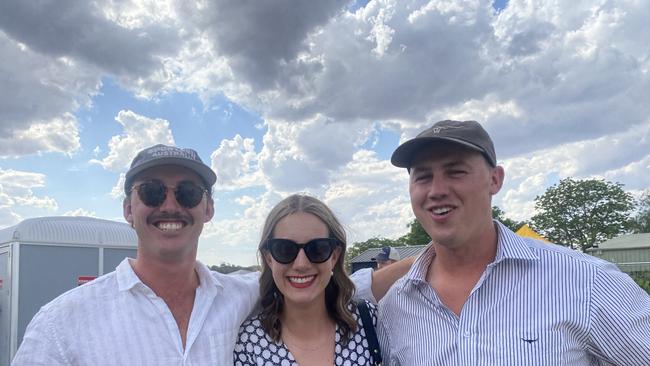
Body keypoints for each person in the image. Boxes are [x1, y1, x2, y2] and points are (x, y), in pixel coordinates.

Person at [12, 144, 407, 365]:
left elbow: (329, 285)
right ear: (129, 208)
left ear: (208, 209)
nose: (170, 205)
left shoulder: (237, 296)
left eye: (187, 192)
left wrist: (440, 249)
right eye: (151, 191)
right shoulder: (61, 325)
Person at [378, 120, 650, 365]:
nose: (437, 190)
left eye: (456, 172)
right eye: (423, 177)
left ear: (495, 180)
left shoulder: (588, 282)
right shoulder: (395, 307)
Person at [233, 194, 381, 366]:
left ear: (334, 256)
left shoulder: (370, 320)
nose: (301, 264)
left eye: (317, 249)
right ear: (269, 258)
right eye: (285, 250)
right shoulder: (248, 344)